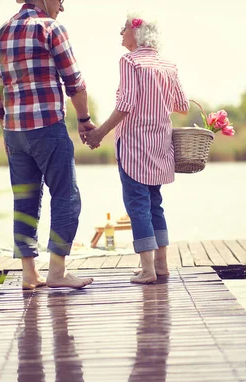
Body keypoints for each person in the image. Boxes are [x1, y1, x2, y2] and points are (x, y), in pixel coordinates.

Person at [0, 0, 94, 289]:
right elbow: (75, 83)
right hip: (47, 127)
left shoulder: (1, 32)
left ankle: (29, 273)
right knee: (66, 197)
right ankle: (57, 271)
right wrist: (84, 119)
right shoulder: (50, 28)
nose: (62, 7)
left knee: (24, 200)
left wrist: (7, 136)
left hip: (13, 131)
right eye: (61, 0)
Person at [84, 14, 189, 284]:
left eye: (125, 29)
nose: (121, 32)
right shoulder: (168, 65)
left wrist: (99, 133)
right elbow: (182, 106)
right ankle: (162, 265)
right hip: (160, 145)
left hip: (134, 147)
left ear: (136, 34)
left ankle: (147, 270)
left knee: (137, 206)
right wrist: (158, 98)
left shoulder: (129, 61)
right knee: (155, 205)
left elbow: (126, 105)